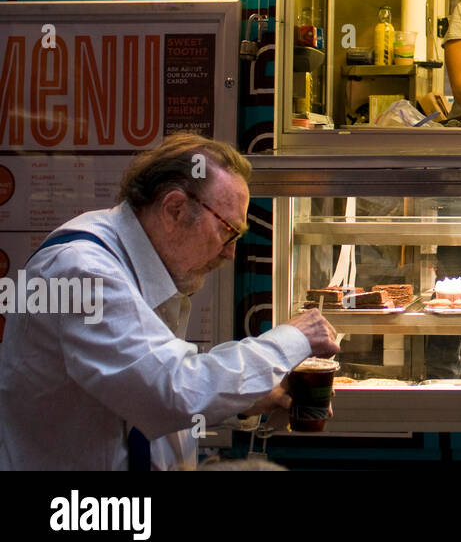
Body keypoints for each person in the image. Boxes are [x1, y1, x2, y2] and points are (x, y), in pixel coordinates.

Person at [0, 133, 341, 470]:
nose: (230, 251)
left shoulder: (132, 266)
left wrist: (250, 396)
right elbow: (173, 389)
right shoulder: (81, 270)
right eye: (228, 230)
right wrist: (293, 339)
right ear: (175, 209)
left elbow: (146, 398)